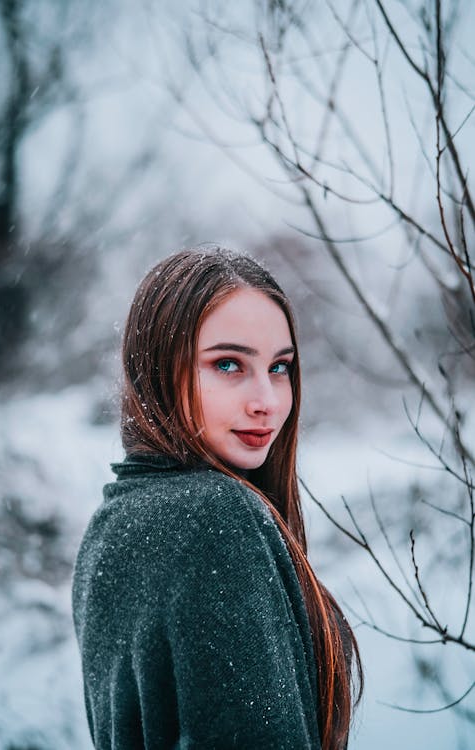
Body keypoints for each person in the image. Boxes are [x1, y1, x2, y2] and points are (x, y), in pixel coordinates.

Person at [72, 246, 363, 750]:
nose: (268, 401)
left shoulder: (109, 525)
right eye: (228, 364)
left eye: (280, 367)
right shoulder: (213, 520)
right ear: (160, 368)